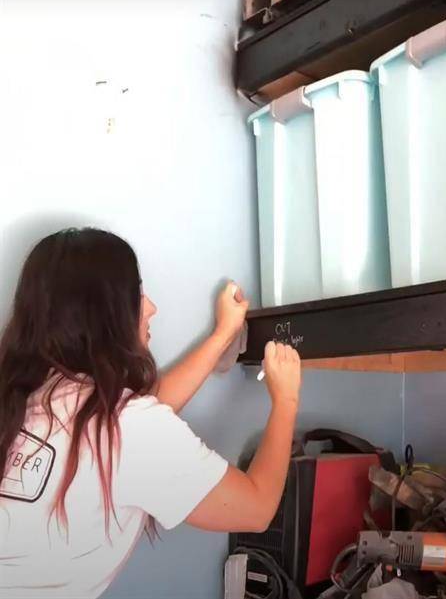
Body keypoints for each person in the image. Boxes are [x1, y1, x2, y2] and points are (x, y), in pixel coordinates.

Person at [0, 228, 302, 598]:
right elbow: (255, 509)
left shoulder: (28, 395)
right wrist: (286, 401)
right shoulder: (129, 428)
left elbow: (139, 417)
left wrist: (223, 335)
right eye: (136, 294)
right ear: (104, 315)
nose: (150, 307)